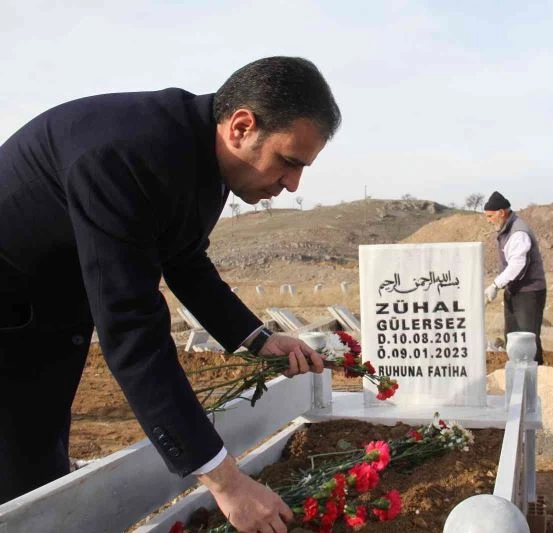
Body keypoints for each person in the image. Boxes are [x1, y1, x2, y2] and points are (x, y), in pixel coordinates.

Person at [0, 56, 340, 533]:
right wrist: (226, 482)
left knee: (37, 479)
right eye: (288, 161)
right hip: (12, 316)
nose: (293, 184)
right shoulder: (123, 156)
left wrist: (258, 339)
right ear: (242, 127)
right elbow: (132, 331)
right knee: (21, 492)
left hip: (46, 317)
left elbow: (184, 258)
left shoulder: (200, 156)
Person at [483, 191, 547, 364]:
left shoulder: (518, 232)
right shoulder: (507, 229)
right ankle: (517, 374)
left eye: (490, 216)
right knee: (513, 337)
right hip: (516, 291)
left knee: (527, 339)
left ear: (501, 213)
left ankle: (534, 374)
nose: (488, 220)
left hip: (529, 292)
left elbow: (517, 265)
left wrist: (495, 285)